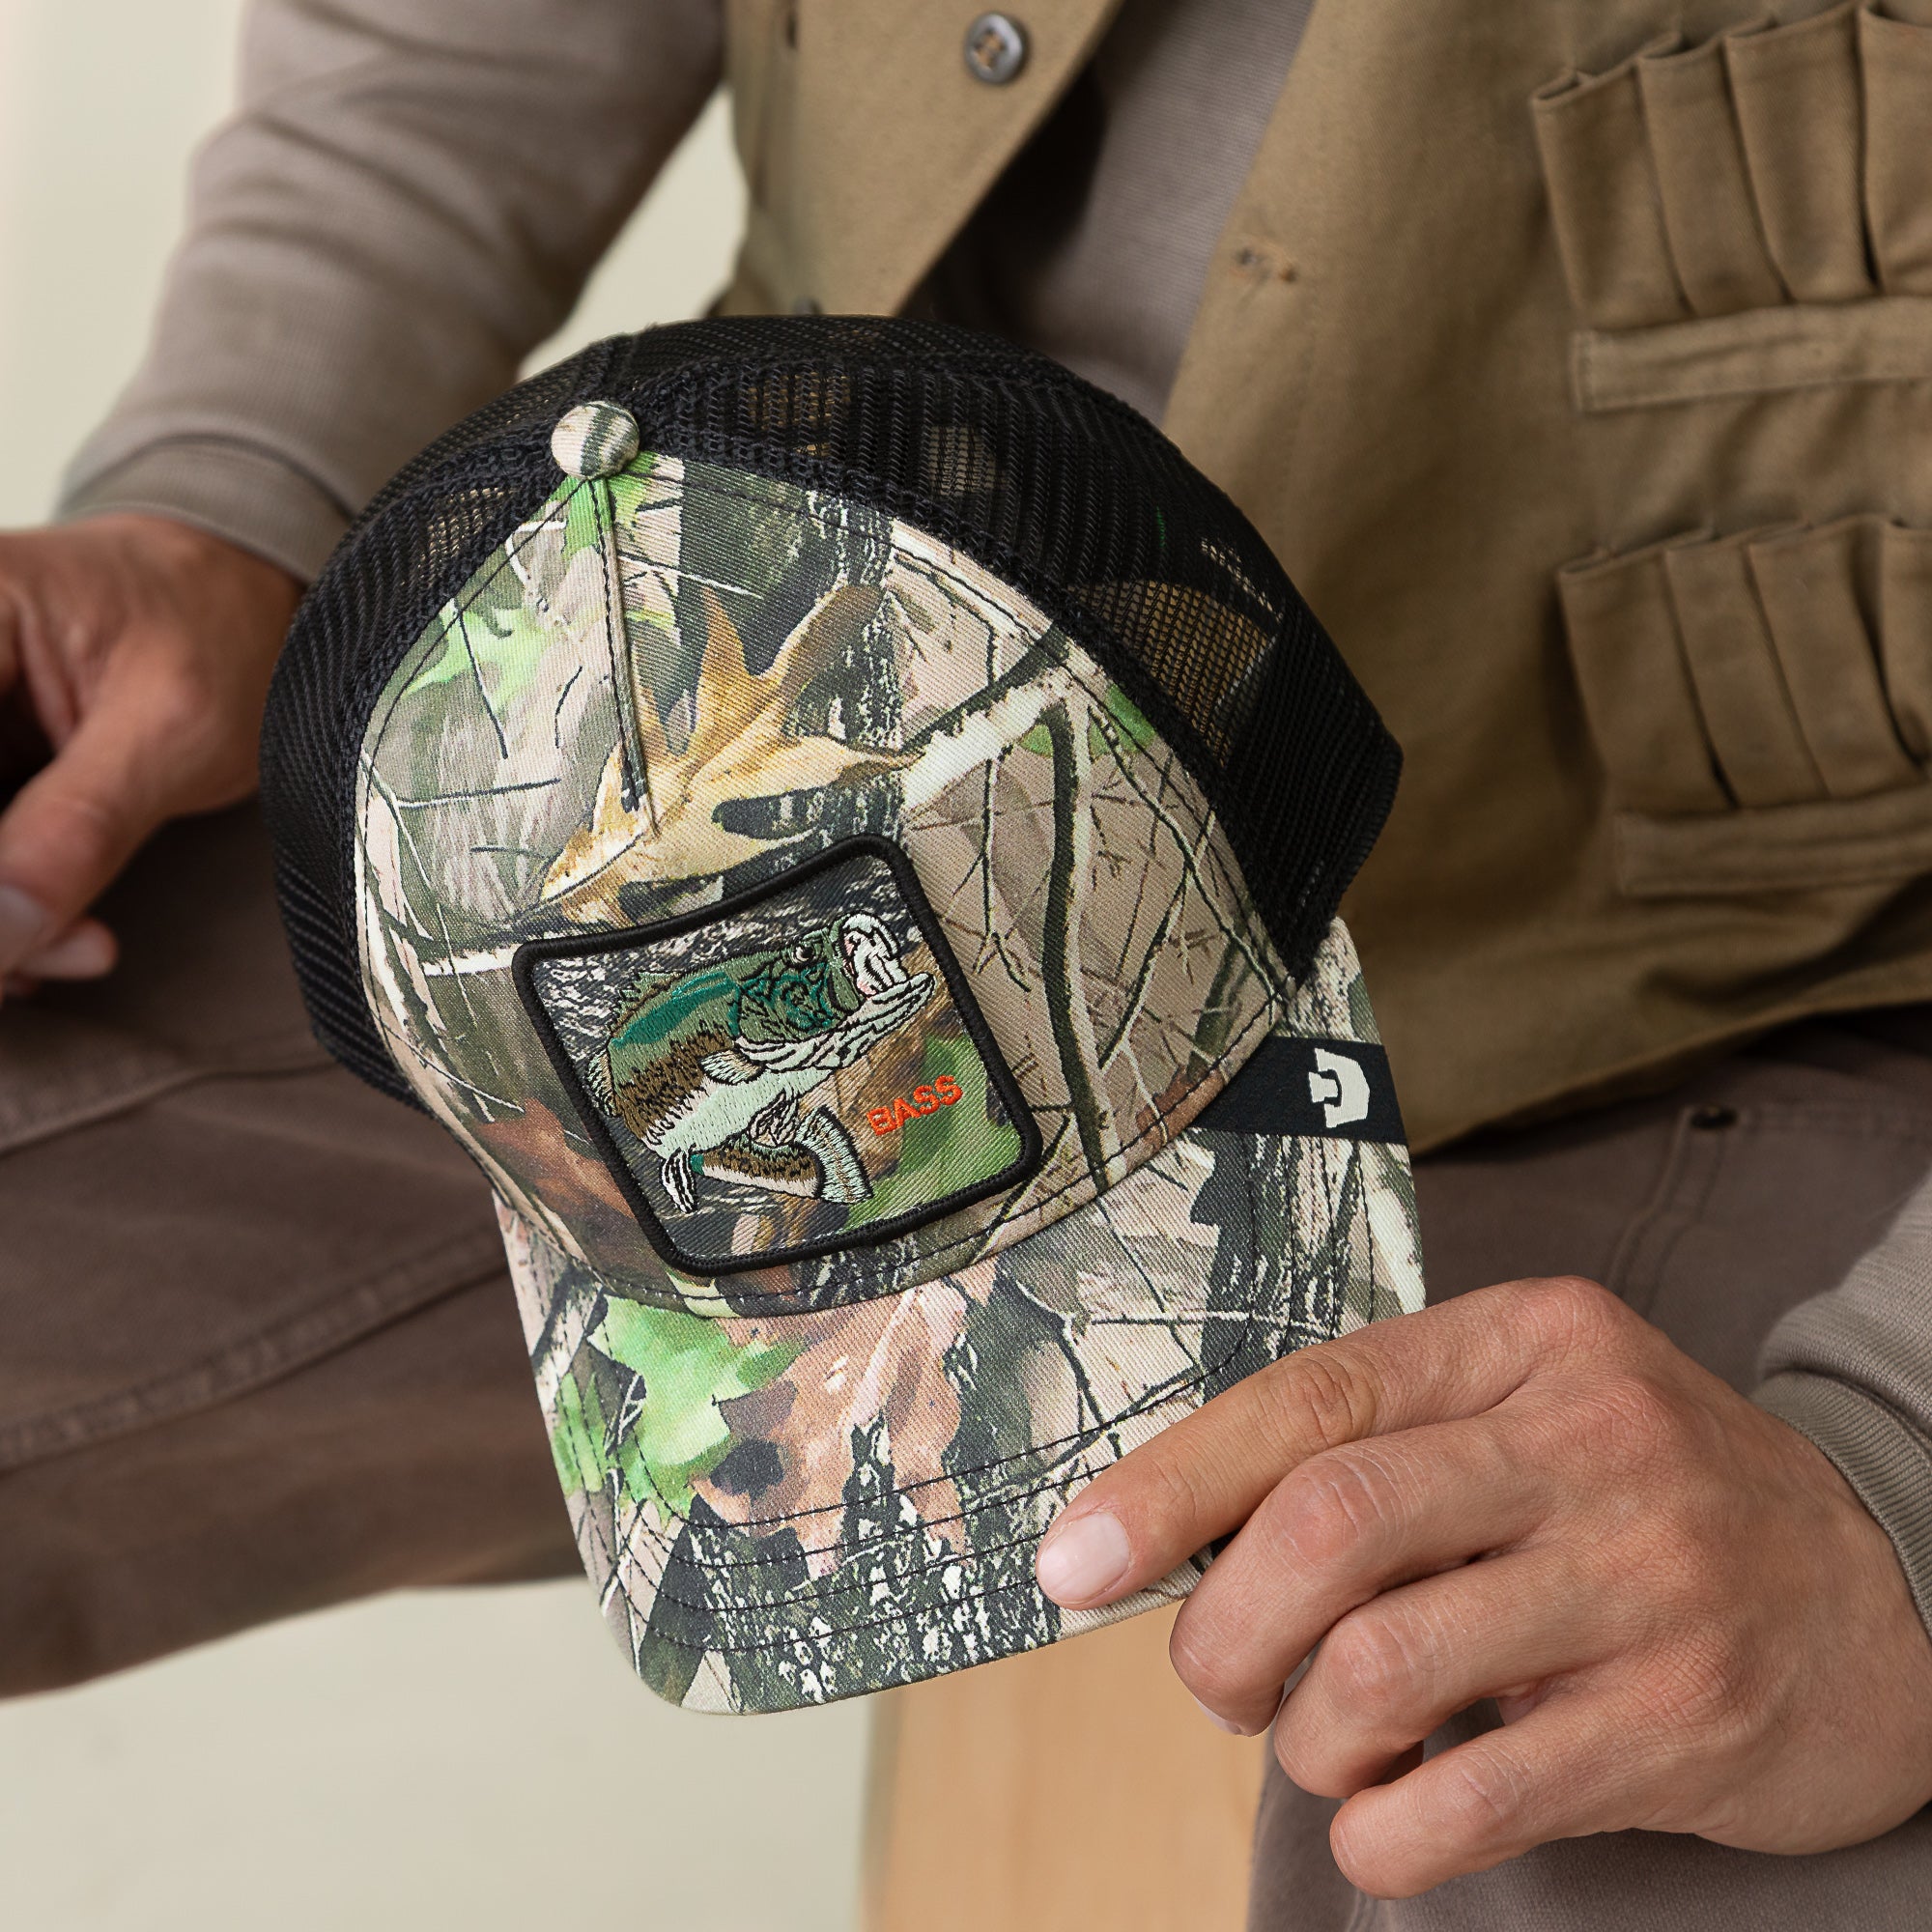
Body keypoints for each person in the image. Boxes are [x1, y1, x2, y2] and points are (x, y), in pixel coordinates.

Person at [6, 0, 1932, 1924]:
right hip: (707, 771)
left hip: (1757, 968)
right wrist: (222, 491)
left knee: (1575, 1782)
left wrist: (1897, 1475)